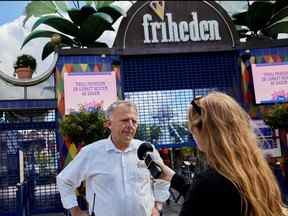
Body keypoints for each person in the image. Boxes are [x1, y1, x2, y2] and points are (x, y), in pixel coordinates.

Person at [157, 91, 287, 216]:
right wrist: (173, 178)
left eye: (192, 128)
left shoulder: (207, 183)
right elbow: (214, 198)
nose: (192, 134)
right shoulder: (257, 170)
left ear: (204, 131)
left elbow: (207, 196)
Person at [57, 100, 170, 216]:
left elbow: (163, 177)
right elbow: (64, 180)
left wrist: (158, 205)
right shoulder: (91, 152)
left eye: (134, 121)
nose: (130, 125)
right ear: (109, 124)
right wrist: (75, 211)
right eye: (125, 120)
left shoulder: (147, 150)